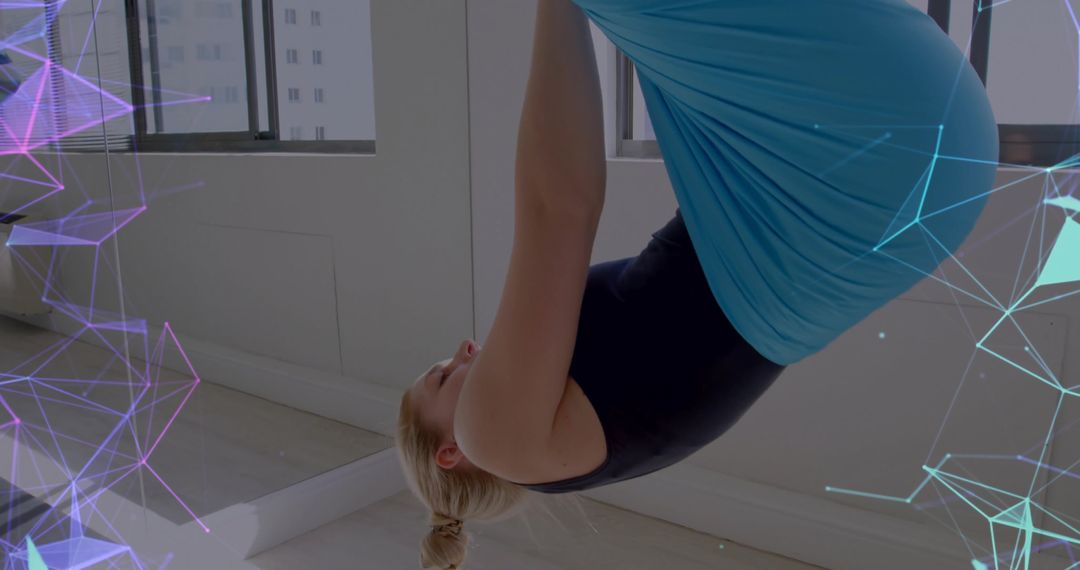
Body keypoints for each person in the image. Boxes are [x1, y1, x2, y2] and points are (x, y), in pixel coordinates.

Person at [396, 1, 999, 568]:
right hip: (857, 176)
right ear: (450, 452)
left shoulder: (563, 443)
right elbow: (560, 205)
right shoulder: (497, 438)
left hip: (895, 186)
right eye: (443, 376)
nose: (465, 349)